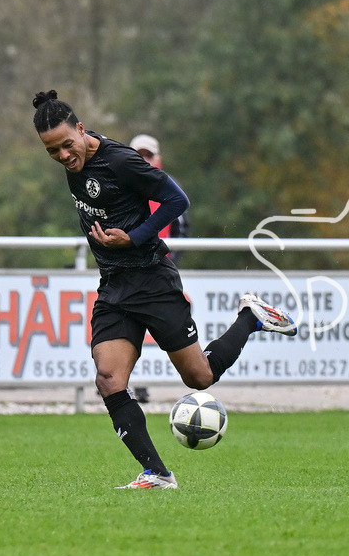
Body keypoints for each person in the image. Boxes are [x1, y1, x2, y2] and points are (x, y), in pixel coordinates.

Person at [33, 90, 298, 490]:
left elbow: (178, 200)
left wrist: (135, 237)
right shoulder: (75, 161)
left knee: (200, 377)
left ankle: (250, 317)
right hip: (115, 287)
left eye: (67, 145)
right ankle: (157, 473)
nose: (64, 157)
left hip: (152, 280)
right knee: (108, 378)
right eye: (52, 151)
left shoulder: (120, 161)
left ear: (81, 129)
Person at [128, 134, 189, 404]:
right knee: (126, 332)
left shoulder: (169, 189)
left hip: (158, 274)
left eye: (148, 155)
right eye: (138, 155)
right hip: (126, 274)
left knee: (160, 334)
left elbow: (182, 233)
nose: (144, 160)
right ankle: (124, 384)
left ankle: (141, 385)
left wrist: (165, 263)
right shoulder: (120, 187)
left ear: (158, 159)